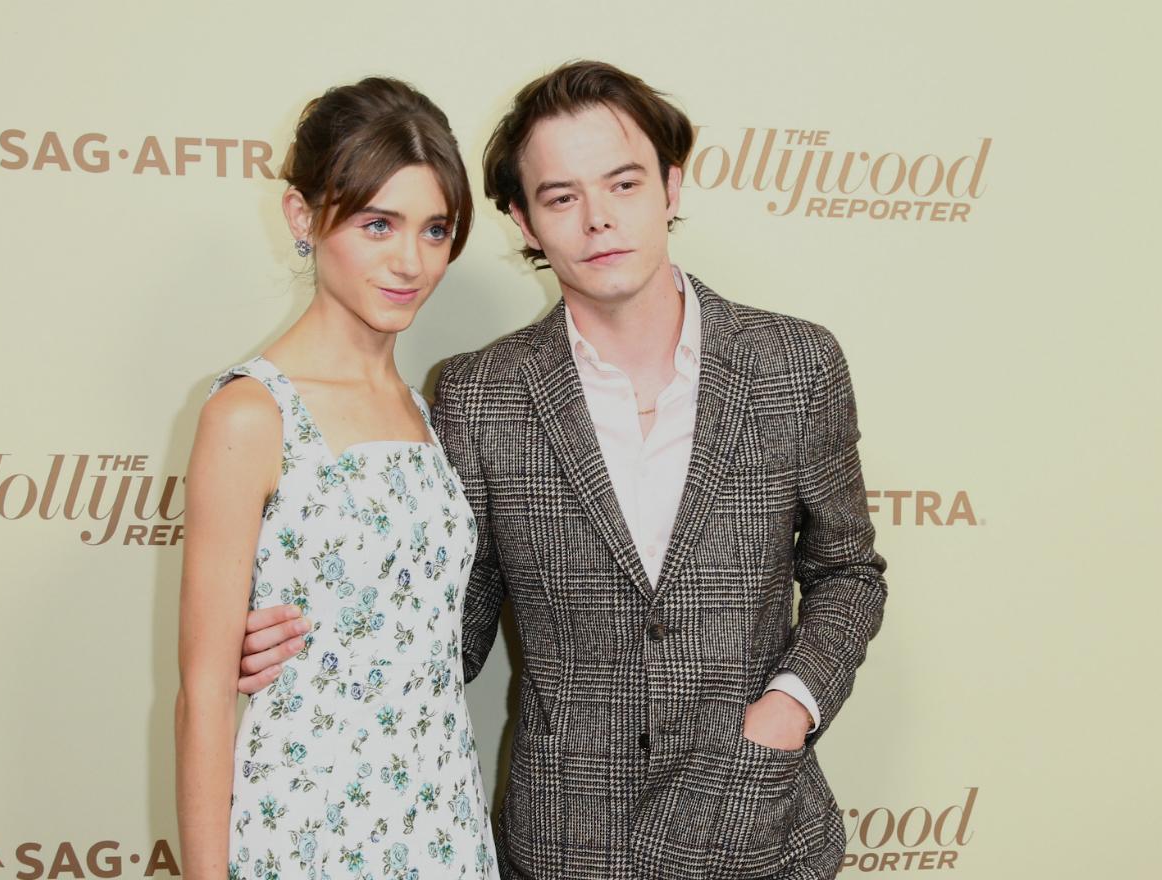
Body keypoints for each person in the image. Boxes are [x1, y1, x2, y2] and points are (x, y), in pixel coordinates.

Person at [238, 61, 888, 879]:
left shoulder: (793, 364)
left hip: (755, 823)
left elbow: (848, 573)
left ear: (671, 187)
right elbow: (451, 625)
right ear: (522, 220)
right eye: (561, 197)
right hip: (567, 843)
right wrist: (308, 640)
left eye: (623, 184)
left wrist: (788, 709)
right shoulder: (482, 394)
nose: (599, 221)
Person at [174, 78, 497, 880]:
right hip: (308, 827)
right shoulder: (251, 414)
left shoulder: (423, 411)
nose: (409, 261)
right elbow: (204, 695)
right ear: (301, 217)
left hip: (441, 820)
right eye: (377, 223)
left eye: (435, 230)